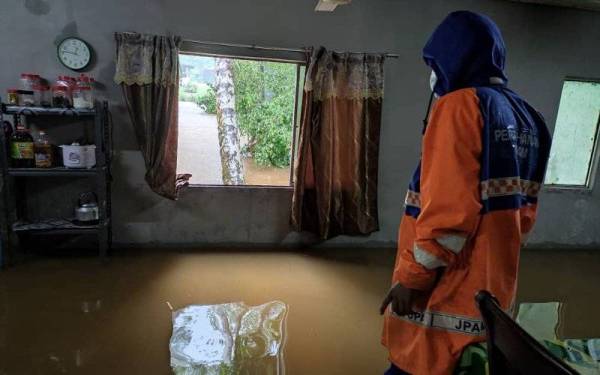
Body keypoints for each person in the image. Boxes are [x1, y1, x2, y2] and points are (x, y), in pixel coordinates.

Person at [380, 10, 551, 375]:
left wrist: (411, 280)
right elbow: (524, 216)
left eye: (434, 63)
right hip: (491, 297)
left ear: (451, 56)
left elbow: (448, 215)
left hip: (446, 295)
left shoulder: (459, 105)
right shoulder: (530, 118)